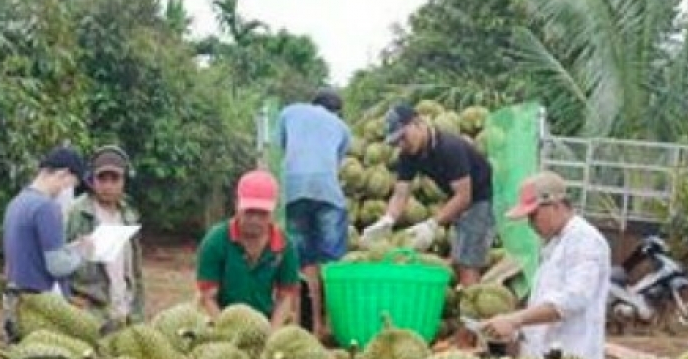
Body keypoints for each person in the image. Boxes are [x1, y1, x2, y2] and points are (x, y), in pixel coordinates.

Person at [483, 171, 611, 359]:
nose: (530, 224)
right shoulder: (555, 244)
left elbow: (572, 299)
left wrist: (516, 319)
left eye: (534, 215)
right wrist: (516, 332)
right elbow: (545, 302)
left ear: (556, 206)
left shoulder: (585, 240)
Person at [359, 102, 495, 286]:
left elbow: (464, 196)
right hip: (458, 197)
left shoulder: (448, 147)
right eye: (396, 141)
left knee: (468, 260)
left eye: (403, 137)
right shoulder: (408, 154)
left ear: (418, 124)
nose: (401, 144)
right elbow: (401, 193)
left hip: (482, 197)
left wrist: (432, 224)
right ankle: (467, 297)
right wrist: (388, 219)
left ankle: (474, 305)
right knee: (459, 255)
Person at [276, 86, 352, 340]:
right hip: (327, 192)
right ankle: (333, 326)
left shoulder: (288, 112)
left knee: (302, 261)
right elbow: (334, 164)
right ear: (337, 112)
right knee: (331, 262)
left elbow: (281, 151)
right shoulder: (342, 128)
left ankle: (307, 325)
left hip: (293, 190)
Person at [1, 145, 93, 340]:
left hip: (14, 299)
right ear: (63, 174)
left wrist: (71, 248)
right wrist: (83, 254)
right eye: (70, 185)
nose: (66, 191)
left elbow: (33, 250)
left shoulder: (17, 203)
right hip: (39, 305)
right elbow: (57, 267)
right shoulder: (47, 208)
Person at [195, 170, 301, 327]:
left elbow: (286, 297)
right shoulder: (216, 241)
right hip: (218, 319)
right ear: (237, 204)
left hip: (264, 321)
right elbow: (207, 297)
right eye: (249, 212)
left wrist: (272, 333)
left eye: (262, 213)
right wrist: (225, 332)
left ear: (273, 211)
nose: (255, 219)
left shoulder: (284, 245)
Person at [64, 144, 145, 327]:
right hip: (89, 315)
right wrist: (68, 298)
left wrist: (138, 313)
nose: (108, 186)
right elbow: (59, 260)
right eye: (102, 179)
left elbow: (135, 270)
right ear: (92, 180)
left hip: (123, 311)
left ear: (124, 181)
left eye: (114, 179)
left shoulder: (128, 215)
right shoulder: (77, 213)